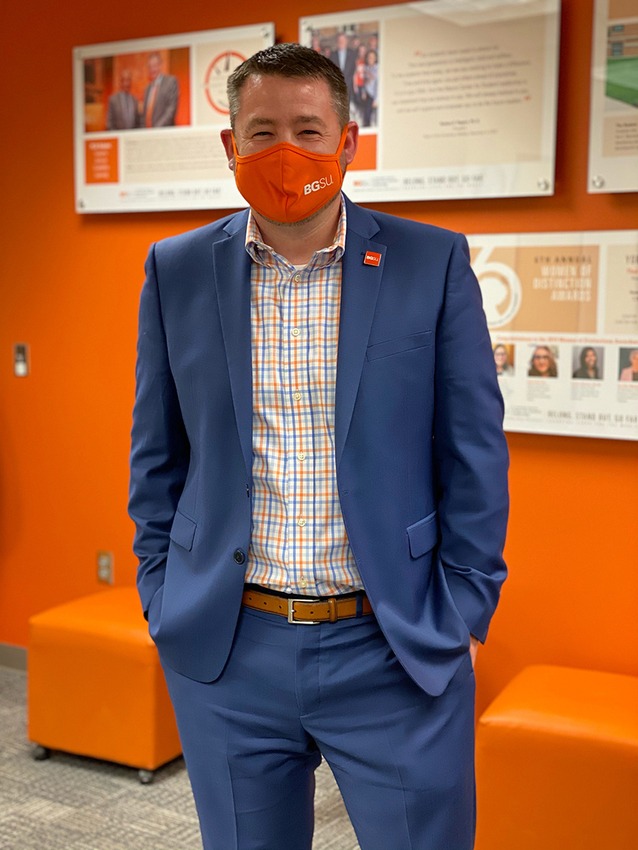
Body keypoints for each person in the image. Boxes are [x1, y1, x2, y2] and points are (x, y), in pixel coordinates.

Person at [129, 43, 509, 850]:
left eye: (307, 129)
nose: (285, 151)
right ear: (231, 145)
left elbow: (474, 452)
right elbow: (157, 456)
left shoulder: (430, 260)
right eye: (262, 132)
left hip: (394, 645)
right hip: (229, 647)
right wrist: (162, 595)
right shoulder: (177, 269)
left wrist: (465, 613)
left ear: (347, 142)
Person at [140, 51, 179, 128]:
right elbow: (144, 114)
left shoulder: (170, 82)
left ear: (160, 65)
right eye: (150, 67)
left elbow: (171, 110)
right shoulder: (147, 89)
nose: (152, 69)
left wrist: (156, 129)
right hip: (148, 132)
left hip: (165, 131)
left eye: (154, 66)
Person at [329, 31, 356, 104]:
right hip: (337, 87)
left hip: (349, 87)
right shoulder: (332, 55)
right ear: (337, 42)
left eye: (343, 40)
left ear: (346, 41)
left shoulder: (353, 54)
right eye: (339, 40)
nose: (341, 42)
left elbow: (354, 70)